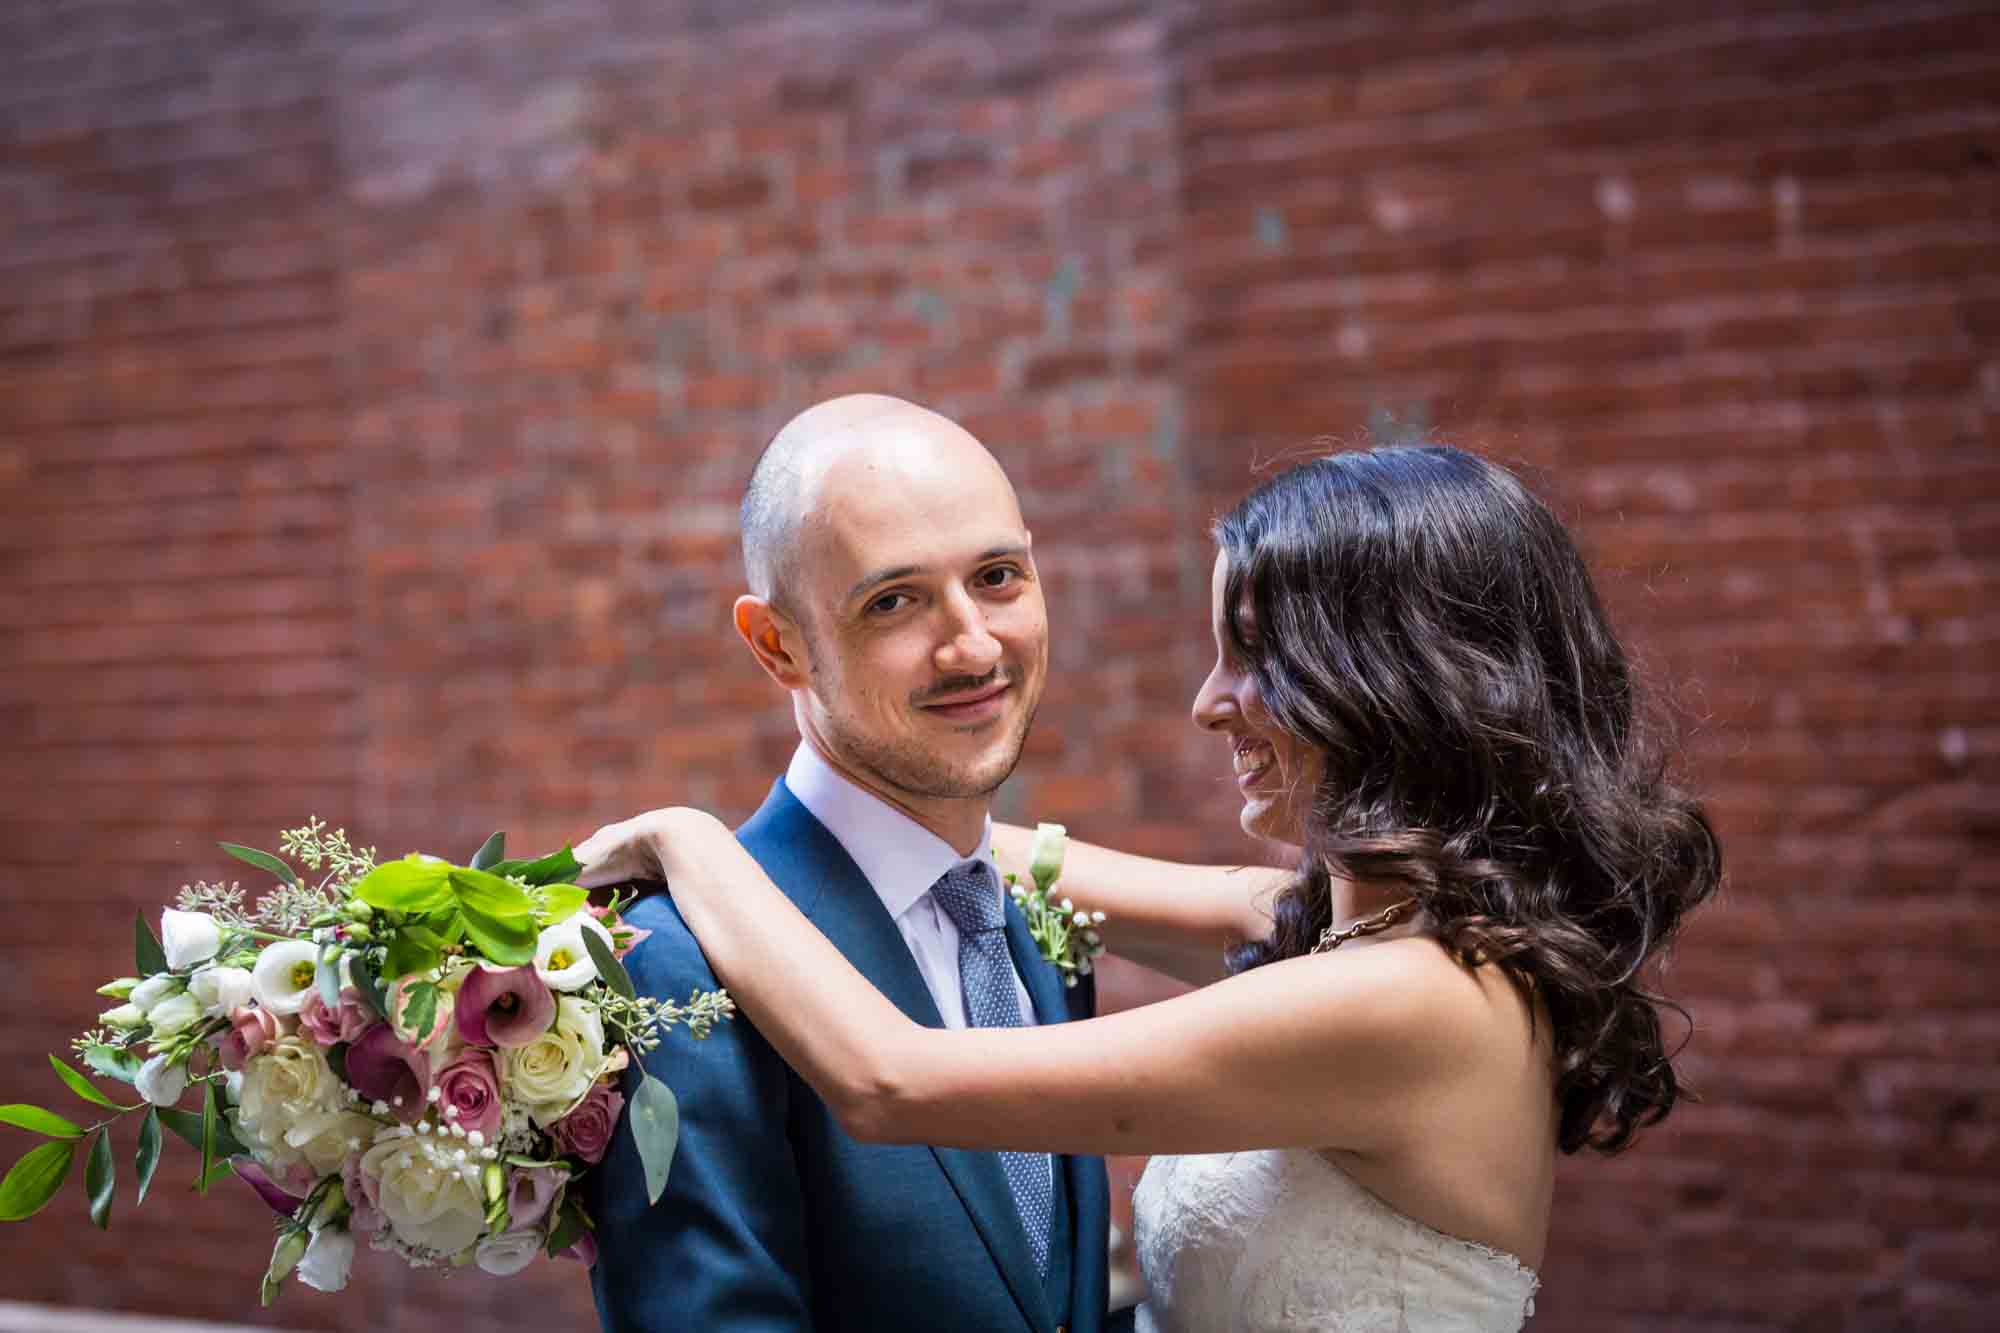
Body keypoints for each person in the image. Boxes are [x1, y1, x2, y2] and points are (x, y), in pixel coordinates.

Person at [579, 443, 1723, 1331]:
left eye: (1253, 657)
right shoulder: (1353, 932)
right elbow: (1007, 864)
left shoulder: (1400, 1003)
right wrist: (916, 796)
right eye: (895, 600)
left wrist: (686, 840)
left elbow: (891, 1081)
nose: (1207, 700)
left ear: (1394, 686)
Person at [583, 395, 1115, 1333]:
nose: (974, 645)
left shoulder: (1035, 925)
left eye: (998, 576)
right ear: (775, 644)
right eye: (894, 601)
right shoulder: (676, 966)